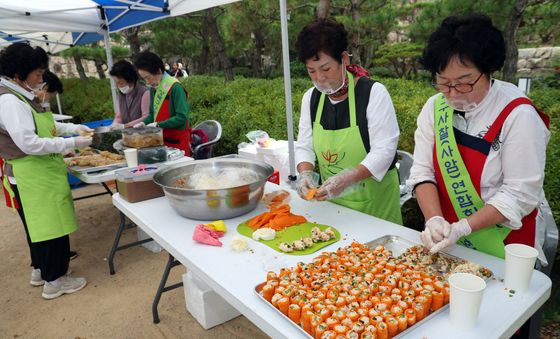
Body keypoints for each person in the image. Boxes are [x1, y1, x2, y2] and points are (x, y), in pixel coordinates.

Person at [407, 14, 551, 264]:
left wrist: (463, 228)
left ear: (489, 70)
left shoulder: (518, 115)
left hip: (504, 243)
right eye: (443, 83)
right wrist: (434, 220)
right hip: (447, 238)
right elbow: (422, 171)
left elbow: (519, 194)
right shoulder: (434, 107)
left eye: (464, 83)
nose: (452, 93)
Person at [0, 43, 90, 299]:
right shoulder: (9, 100)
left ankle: (41, 271)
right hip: (32, 174)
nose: (41, 79)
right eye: (38, 74)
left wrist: (74, 129)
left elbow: (45, 128)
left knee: (38, 229)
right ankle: (55, 281)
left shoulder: (19, 95)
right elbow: (28, 142)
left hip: (36, 173)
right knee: (51, 229)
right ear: (19, 73)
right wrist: (72, 143)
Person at [294, 19, 402, 224]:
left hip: (375, 210)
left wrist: (348, 177)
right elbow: (304, 144)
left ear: (344, 59)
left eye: (325, 69)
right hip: (332, 210)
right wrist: (305, 173)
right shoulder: (311, 98)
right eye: (311, 71)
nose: (319, 78)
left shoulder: (373, 93)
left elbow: (384, 150)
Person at [133, 51, 191, 155]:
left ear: (159, 70)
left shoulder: (175, 87)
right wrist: (144, 123)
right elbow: (152, 114)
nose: (147, 82)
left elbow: (182, 117)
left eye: (148, 77)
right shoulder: (153, 89)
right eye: (144, 79)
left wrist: (158, 124)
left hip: (178, 143)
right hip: (160, 142)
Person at [108, 60, 150, 129]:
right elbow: (119, 115)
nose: (118, 86)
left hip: (143, 133)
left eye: (121, 83)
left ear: (131, 80)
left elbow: (146, 117)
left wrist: (125, 126)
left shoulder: (144, 92)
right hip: (128, 134)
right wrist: (115, 124)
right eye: (116, 83)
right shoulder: (121, 94)